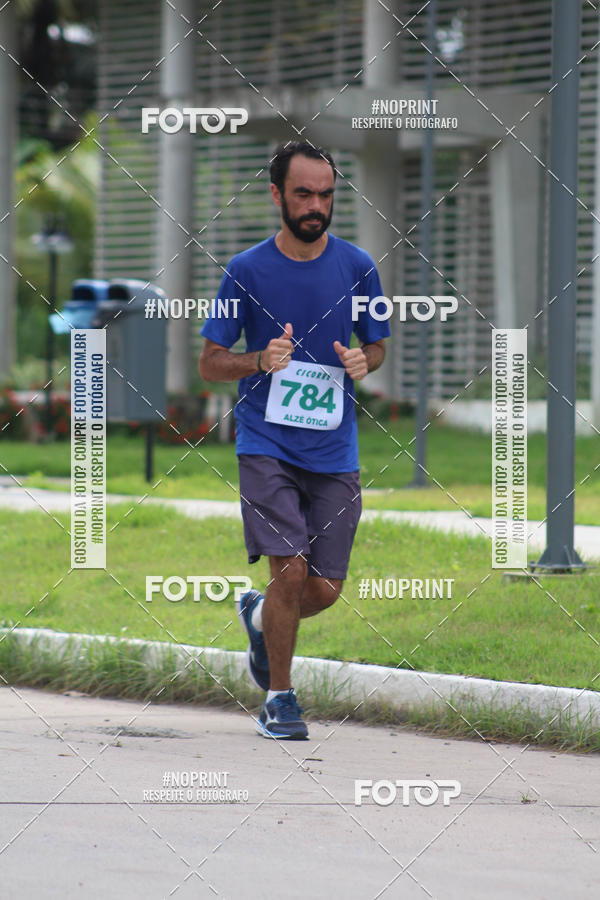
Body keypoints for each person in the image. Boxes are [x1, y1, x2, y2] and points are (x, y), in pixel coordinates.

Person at [199, 141, 390, 740]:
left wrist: (365, 360)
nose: (316, 206)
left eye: (326, 195)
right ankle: (279, 699)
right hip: (266, 444)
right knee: (289, 573)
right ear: (277, 194)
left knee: (325, 589)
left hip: (334, 448)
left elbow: (378, 343)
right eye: (303, 193)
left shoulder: (358, 266)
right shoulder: (246, 270)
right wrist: (258, 360)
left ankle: (258, 617)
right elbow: (210, 363)